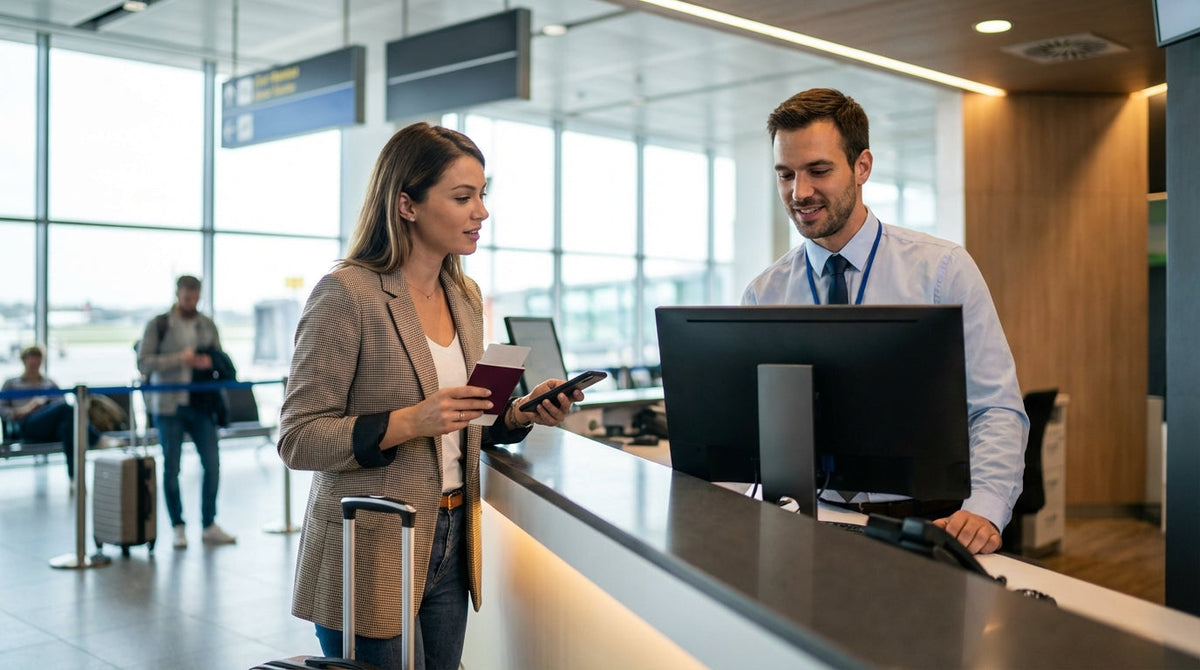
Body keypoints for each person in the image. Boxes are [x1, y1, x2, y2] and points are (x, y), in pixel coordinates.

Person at [277, 122, 585, 670]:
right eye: (463, 197)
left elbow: (466, 420)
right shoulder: (347, 294)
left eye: (482, 196)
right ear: (407, 204)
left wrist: (515, 414)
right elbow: (297, 439)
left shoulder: (463, 294)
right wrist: (409, 421)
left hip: (451, 535)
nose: (481, 212)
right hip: (372, 542)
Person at [742, 88, 1029, 555]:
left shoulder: (942, 270)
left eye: (818, 170)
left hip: (925, 520)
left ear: (862, 167)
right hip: (811, 521)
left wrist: (986, 507)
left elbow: (995, 406)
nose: (800, 192)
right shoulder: (764, 293)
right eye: (785, 174)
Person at [137, 275, 236, 549]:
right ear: (178, 294)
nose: (191, 301)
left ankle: (208, 523)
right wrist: (180, 359)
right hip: (169, 406)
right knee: (172, 468)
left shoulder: (207, 325)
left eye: (195, 296)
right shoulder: (159, 324)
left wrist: (207, 361)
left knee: (212, 465)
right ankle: (178, 525)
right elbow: (144, 362)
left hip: (201, 404)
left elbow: (219, 357)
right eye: (186, 296)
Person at [0, 345, 100, 484]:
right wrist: (29, 407)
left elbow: (64, 409)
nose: (35, 365)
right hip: (27, 425)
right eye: (32, 362)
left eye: (37, 361)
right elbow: (4, 411)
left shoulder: (49, 382)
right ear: (24, 361)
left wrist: (47, 407)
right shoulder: (11, 383)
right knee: (65, 410)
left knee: (68, 429)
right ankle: (97, 438)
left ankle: (74, 479)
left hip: (50, 426)